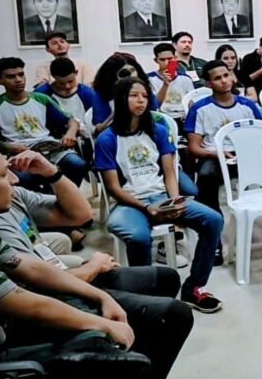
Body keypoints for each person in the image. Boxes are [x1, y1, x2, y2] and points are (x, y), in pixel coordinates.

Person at [0, 146, 193, 379]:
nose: (15, 180)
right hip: (7, 346)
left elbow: (32, 266)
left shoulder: (1, 215)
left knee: (164, 287)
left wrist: (102, 298)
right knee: (166, 319)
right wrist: (99, 322)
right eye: (4, 174)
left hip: (30, 306)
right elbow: (17, 298)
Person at [96, 77, 224, 314]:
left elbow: (169, 173)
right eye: (134, 95)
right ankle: (145, 298)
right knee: (138, 237)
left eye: (145, 96)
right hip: (130, 203)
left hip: (160, 197)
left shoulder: (158, 132)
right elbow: (114, 188)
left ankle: (193, 288)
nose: (141, 101)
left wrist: (174, 200)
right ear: (121, 100)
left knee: (214, 220)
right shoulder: (107, 139)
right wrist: (146, 209)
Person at [185, 61, 262, 265]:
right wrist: (220, 153)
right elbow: (194, 148)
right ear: (209, 83)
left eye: (226, 75)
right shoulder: (200, 109)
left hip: (248, 157)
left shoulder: (248, 105)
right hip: (215, 158)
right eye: (218, 78)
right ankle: (213, 241)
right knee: (205, 177)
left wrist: (249, 152)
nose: (224, 81)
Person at [0, 58, 88, 190]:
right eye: (11, 76)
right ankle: (46, 201)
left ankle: (63, 198)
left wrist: (70, 133)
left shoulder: (41, 99)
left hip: (49, 147)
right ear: (0, 81)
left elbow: (71, 120)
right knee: (24, 178)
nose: (18, 79)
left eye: (21, 74)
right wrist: (8, 147)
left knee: (77, 164)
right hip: (19, 153)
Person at [91, 53, 155, 136]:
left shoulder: (144, 91)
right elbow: (99, 130)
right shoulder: (102, 95)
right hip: (115, 136)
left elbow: (154, 115)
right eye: (124, 73)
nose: (131, 76)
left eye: (132, 70)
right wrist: (118, 110)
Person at [34, 58, 96, 141]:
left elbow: (94, 121)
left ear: (76, 73)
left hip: (83, 138)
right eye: (61, 83)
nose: (67, 86)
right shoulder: (42, 94)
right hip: (52, 139)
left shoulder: (87, 94)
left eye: (71, 81)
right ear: (53, 76)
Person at [148, 43, 194, 122]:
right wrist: (165, 85)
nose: (166, 63)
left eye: (170, 59)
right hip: (162, 117)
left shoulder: (185, 78)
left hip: (183, 117)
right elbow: (155, 104)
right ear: (156, 60)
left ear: (175, 58)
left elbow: (191, 101)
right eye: (162, 60)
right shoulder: (150, 79)